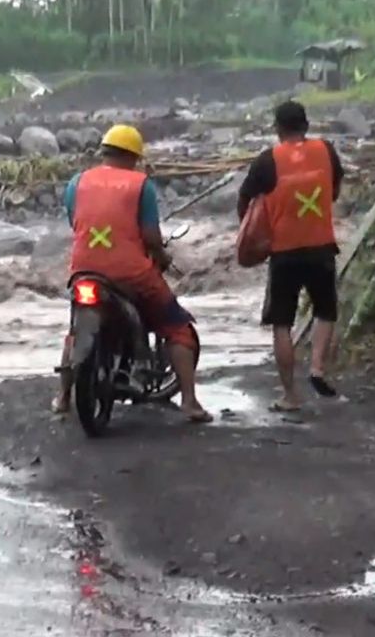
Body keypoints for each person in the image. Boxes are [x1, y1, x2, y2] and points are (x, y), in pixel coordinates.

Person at [51, 124, 212, 424]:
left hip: (84, 270)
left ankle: (62, 398)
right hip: (130, 274)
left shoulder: (77, 182)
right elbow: (150, 237)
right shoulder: (141, 185)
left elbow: (76, 223)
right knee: (177, 327)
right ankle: (190, 402)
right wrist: (162, 257)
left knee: (76, 331)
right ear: (134, 156)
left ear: (104, 152)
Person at [237, 100, 344, 412]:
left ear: (278, 129)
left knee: (282, 323)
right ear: (306, 126)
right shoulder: (327, 150)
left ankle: (290, 396)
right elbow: (334, 191)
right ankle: (317, 368)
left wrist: (254, 233)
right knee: (326, 311)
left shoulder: (267, 160)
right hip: (322, 246)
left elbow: (245, 202)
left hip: (283, 253)